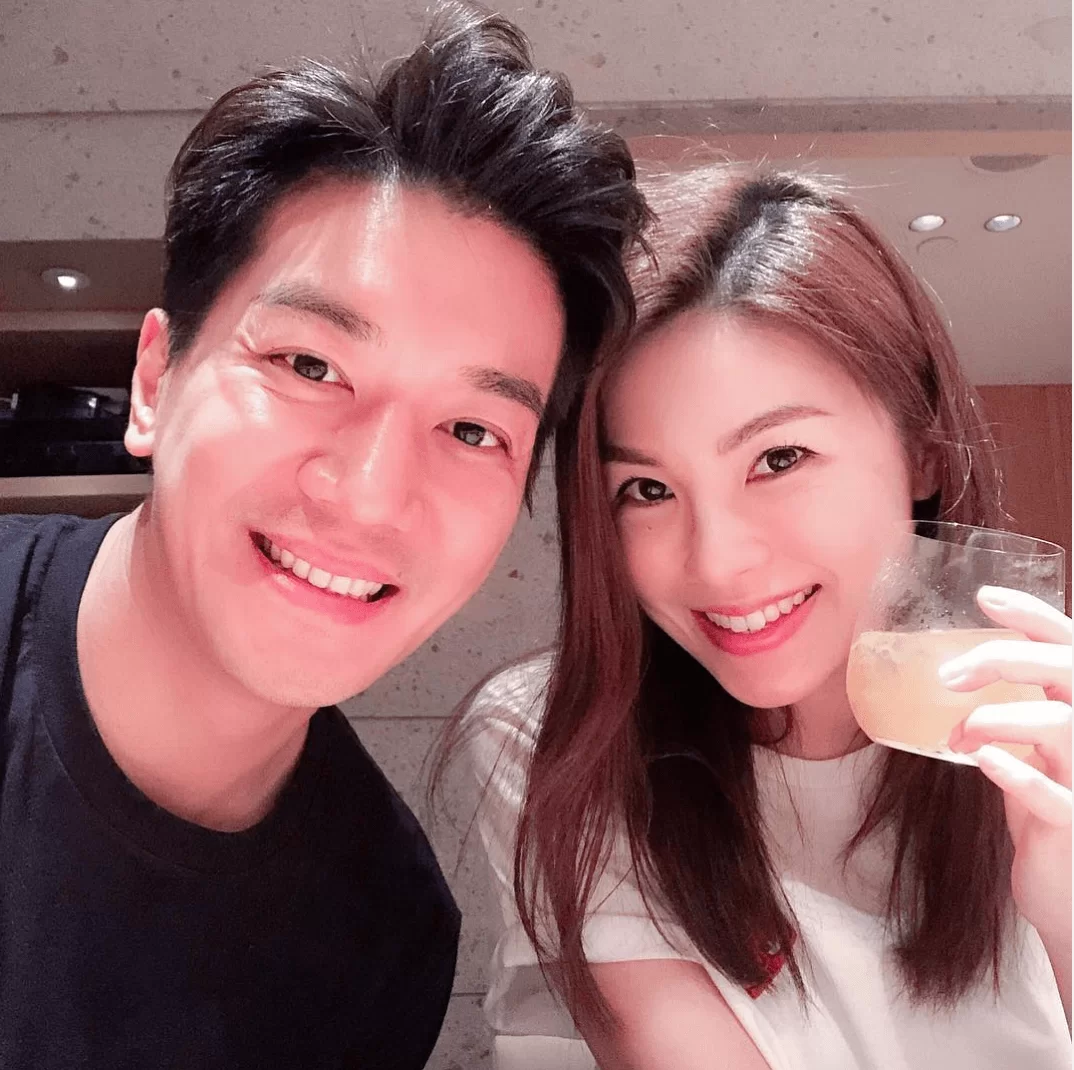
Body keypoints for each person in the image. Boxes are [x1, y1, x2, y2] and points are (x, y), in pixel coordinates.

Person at [0, 4, 648, 1067]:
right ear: (155, 381)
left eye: (473, 429)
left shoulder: (382, 936)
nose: (372, 496)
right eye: (310, 366)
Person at [461, 166, 1072, 1069]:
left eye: (779, 459)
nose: (716, 561)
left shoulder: (1041, 731)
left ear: (923, 455)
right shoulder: (561, 741)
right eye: (647, 490)